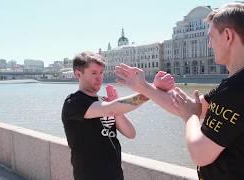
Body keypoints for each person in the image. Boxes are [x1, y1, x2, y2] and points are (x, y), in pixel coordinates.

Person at [115, 2, 244, 179]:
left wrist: (189, 117)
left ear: (228, 36)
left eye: (211, 37)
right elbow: (189, 106)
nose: (209, 45)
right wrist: (143, 87)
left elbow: (200, 153)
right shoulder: (231, 86)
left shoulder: (237, 88)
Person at [61, 51, 174, 180]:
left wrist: (117, 111)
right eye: (93, 73)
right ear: (78, 74)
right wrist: (152, 89)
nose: (99, 78)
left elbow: (131, 133)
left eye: (101, 72)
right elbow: (110, 110)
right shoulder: (74, 103)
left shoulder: (105, 101)